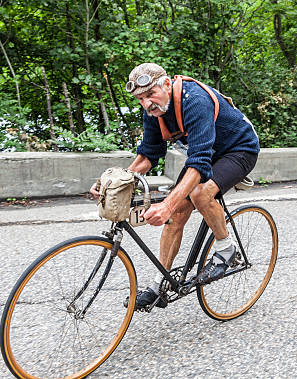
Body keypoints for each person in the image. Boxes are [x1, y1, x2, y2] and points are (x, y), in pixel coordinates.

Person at [90, 63, 260, 309]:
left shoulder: (195, 101)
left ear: (167, 84)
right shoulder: (154, 112)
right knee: (178, 213)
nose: (147, 103)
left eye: (151, 94)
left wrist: (166, 205)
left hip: (238, 149)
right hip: (207, 153)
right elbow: (148, 156)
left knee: (199, 193)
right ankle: (160, 284)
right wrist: (110, 184)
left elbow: (199, 163)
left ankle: (226, 249)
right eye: (140, 99)